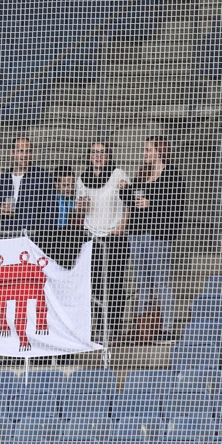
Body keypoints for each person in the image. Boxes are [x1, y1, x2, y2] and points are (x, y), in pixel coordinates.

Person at [121, 136, 186, 344]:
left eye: (149, 149)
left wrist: (151, 203)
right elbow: (129, 198)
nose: (145, 153)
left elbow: (176, 205)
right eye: (145, 149)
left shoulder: (172, 175)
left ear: (159, 151)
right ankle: (144, 328)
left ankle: (166, 328)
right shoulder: (142, 174)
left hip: (158, 234)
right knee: (143, 282)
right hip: (136, 234)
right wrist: (125, 190)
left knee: (160, 281)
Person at [75, 142, 131, 343]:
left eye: (102, 153)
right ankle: (99, 327)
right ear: (89, 156)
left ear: (108, 155)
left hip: (114, 237)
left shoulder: (117, 174)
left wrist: (121, 227)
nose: (98, 156)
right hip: (93, 238)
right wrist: (80, 207)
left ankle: (114, 329)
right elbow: (80, 212)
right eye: (94, 153)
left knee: (115, 283)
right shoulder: (82, 179)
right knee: (96, 284)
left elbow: (128, 203)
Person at [0, 137, 56, 234]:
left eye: (28, 151)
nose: (25, 155)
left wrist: (43, 236)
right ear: (12, 153)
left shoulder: (42, 176)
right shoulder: (2, 179)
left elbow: (52, 209)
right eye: (20, 151)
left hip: (33, 238)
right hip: (9, 235)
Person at [53, 166, 77, 230]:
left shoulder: (76, 198)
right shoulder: (51, 200)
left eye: (72, 184)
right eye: (65, 185)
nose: (70, 188)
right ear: (56, 184)